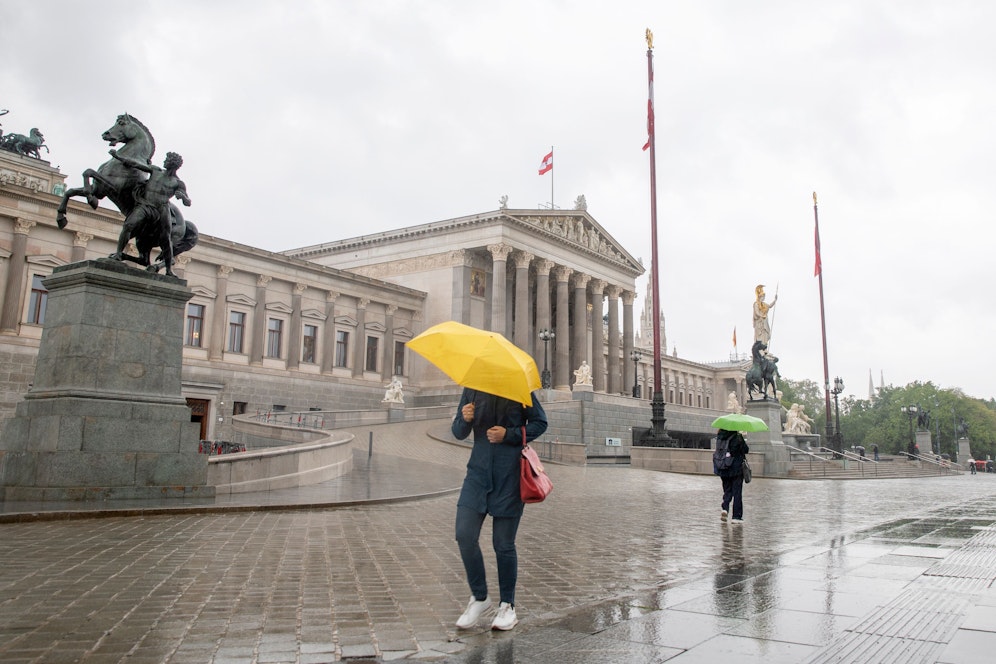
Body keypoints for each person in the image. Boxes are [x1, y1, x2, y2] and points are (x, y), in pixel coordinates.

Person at [451, 387, 548, 631]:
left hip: (509, 476)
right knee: (464, 534)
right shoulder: (472, 389)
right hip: (477, 475)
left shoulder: (519, 389)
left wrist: (510, 434)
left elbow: (540, 422)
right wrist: (465, 418)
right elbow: (458, 432)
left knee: (503, 544)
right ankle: (480, 597)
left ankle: (507, 606)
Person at [108, 148, 191, 277]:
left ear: (172, 164)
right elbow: (136, 164)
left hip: (161, 209)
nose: (164, 162)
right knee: (129, 225)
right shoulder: (156, 171)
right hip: (145, 205)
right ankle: (118, 254)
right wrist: (118, 157)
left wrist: (183, 197)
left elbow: (188, 202)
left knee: (166, 239)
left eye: (167, 160)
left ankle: (168, 269)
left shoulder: (178, 183)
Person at [716, 429, 750, 524]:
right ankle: (736, 517)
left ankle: (725, 508)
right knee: (737, 493)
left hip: (723, 468)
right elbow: (746, 450)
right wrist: (741, 440)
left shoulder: (720, 437)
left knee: (727, 490)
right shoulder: (737, 437)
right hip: (736, 469)